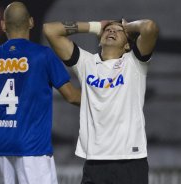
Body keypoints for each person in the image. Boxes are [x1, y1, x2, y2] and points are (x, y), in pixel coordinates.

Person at [0, 2, 80, 184]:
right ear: (31, 22)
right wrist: (103, 97)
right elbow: (72, 96)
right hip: (33, 147)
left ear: (3, 25)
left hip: (2, 145)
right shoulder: (43, 55)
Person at [43, 18, 159, 184]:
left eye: (118, 31)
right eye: (108, 29)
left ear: (127, 45)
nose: (111, 31)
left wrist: (127, 26)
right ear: (99, 40)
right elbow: (50, 30)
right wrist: (95, 26)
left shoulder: (134, 63)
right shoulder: (86, 63)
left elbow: (150, 27)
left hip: (130, 160)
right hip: (95, 162)